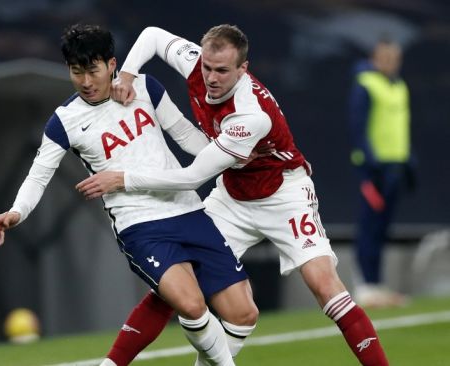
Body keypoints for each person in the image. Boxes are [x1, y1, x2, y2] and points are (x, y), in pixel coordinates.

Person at [77, 25, 390, 365]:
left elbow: (192, 176)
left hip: (282, 194)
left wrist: (122, 178)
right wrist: (127, 73)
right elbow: (152, 36)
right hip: (233, 196)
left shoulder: (250, 115)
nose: (211, 77)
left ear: (243, 69)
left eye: (223, 70)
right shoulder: (196, 62)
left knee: (324, 285)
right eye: (208, 67)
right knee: (173, 284)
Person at [0, 24, 259, 366]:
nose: (85, 82)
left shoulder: (144, 87)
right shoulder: (65, 121)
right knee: (190, 305)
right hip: (140, 225)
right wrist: (16, 212)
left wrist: (233, 153)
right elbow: (38, 175)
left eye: (93, 71)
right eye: (76, 72)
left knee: (244, 313)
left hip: (188, 211)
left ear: (112, 64)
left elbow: (186, 137)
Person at [349, 39, 412, 308]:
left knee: (383, 228)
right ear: (375, 58)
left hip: (396, 167)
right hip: (375, 171)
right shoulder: (365, 85)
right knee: (369, 227)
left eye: (395, 58)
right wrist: (369, 165)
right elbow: (358, 129)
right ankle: (364, 286)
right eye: (385, 57)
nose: (391, 63)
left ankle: (376, 284)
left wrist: (409, 163)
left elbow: (400, 129)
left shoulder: (399, 86)